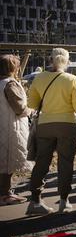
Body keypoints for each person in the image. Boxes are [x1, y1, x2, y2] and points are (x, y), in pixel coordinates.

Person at [26, 48, 76, 215]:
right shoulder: (71, 79)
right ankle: (64, 201)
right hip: (67, 124)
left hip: (45, 124)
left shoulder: (39, 77)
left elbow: (31, 103)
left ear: (50, 59)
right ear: (66, 61)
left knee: (42, 162)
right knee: (65, 162)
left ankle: (35, 201)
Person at [0, 54, 32, 206]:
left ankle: (5, 192)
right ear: (13, 68)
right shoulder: (10, 84)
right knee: (7, 161)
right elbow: (20, 108)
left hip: (3, 123)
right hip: (10, 126)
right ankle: (5, 194)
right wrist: (32, 111)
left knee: (3, 160)